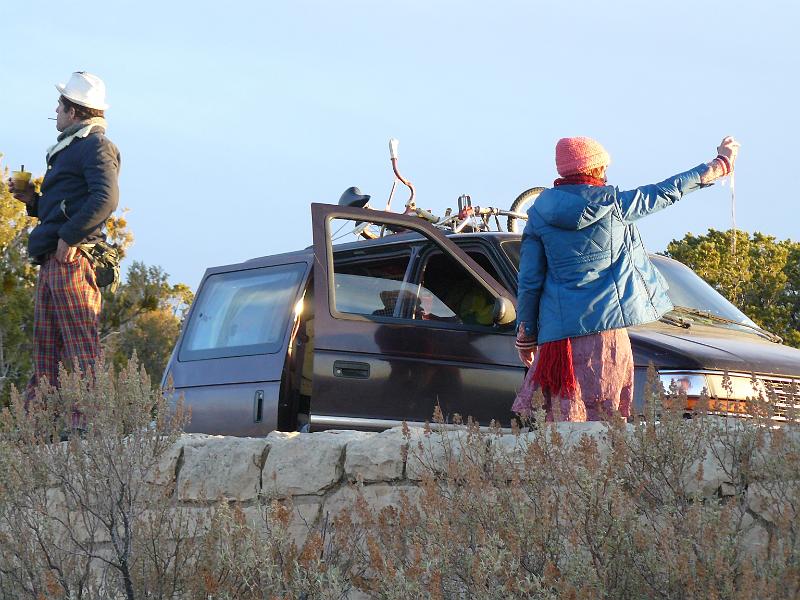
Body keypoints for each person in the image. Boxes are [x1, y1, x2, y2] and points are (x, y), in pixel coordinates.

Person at [512, 135, 739, 421]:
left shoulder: (538, 216)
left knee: (560, 427)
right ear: (593, 169)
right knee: (604, 426)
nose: (606, 173)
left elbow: (529, 282)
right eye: (603, 167)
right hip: (606, 334)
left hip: (558, 341)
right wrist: (720, 164)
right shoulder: (616, 206)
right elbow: (668, 190)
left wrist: (526, 335)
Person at [8, 71, 121, 394]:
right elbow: (65, 206)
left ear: (74, 111)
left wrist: (69, 237)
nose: (55, 112)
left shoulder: (96, 145)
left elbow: (106, 199)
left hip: (71, 257)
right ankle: (34, 432)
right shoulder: (76, 148)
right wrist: (34, 201)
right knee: (45, 354)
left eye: (59, 106)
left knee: (81, 350)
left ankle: (89, 427)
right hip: (56, 257)